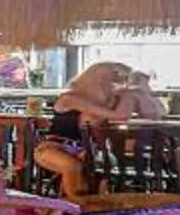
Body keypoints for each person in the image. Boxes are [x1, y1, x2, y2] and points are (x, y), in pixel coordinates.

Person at [37, 61, 168, 198]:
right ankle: (77, 205)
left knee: (101, 165)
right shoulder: (69, 98)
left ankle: (90, 205)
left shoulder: (108, 102)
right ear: (99, 81)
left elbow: (158, 112)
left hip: (87, 150)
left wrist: (139, 93)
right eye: (114, 82)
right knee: (73, 167)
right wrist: (132, 93)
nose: (117, 86)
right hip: (53, 147)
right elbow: (120, 115)